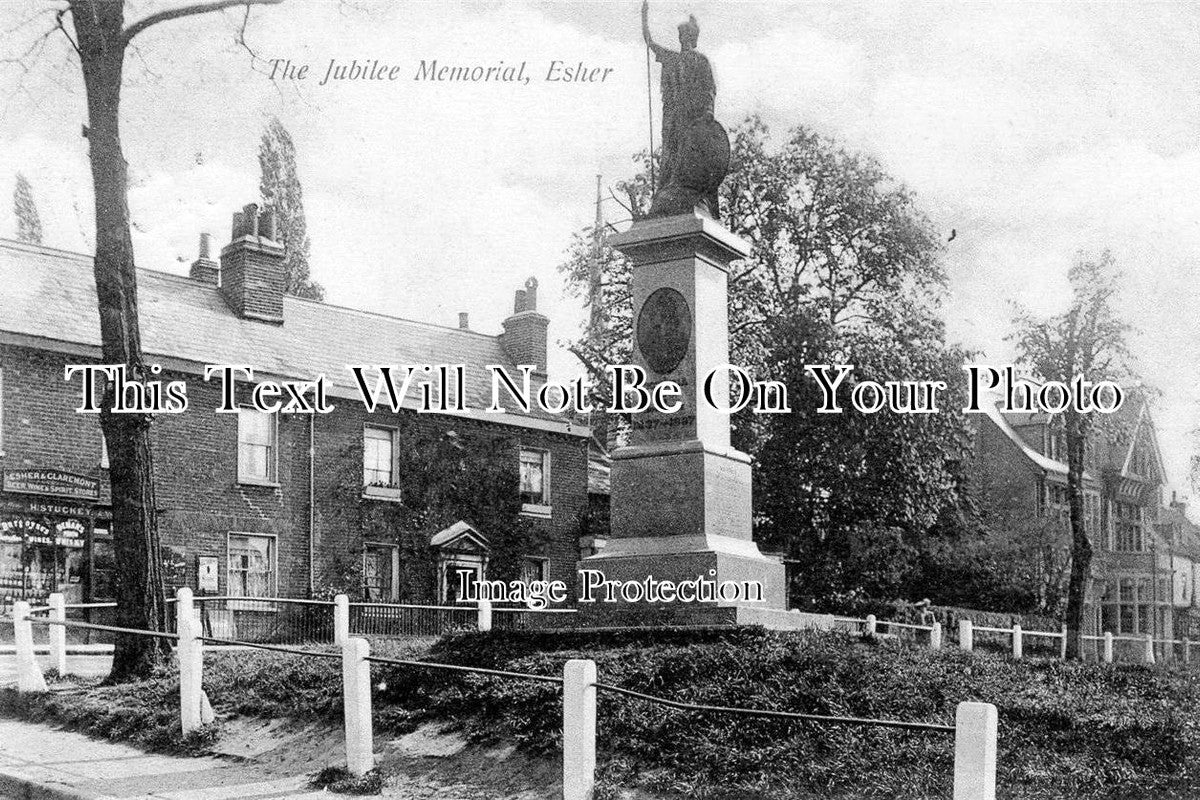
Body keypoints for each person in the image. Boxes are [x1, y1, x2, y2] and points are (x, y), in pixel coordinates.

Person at [642, 1, 716, 192]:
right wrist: (644, 16)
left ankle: (687, 188)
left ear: (693, 38)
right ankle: (667, 189)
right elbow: (650, 42)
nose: (683, 39)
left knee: (689, 152)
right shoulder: (672, 58)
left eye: (687, 36)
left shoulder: (701, 61)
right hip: (673, 115)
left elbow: (709, 88)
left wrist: (708, 111)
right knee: (670, 151)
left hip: (693, 116)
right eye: (681, 36)